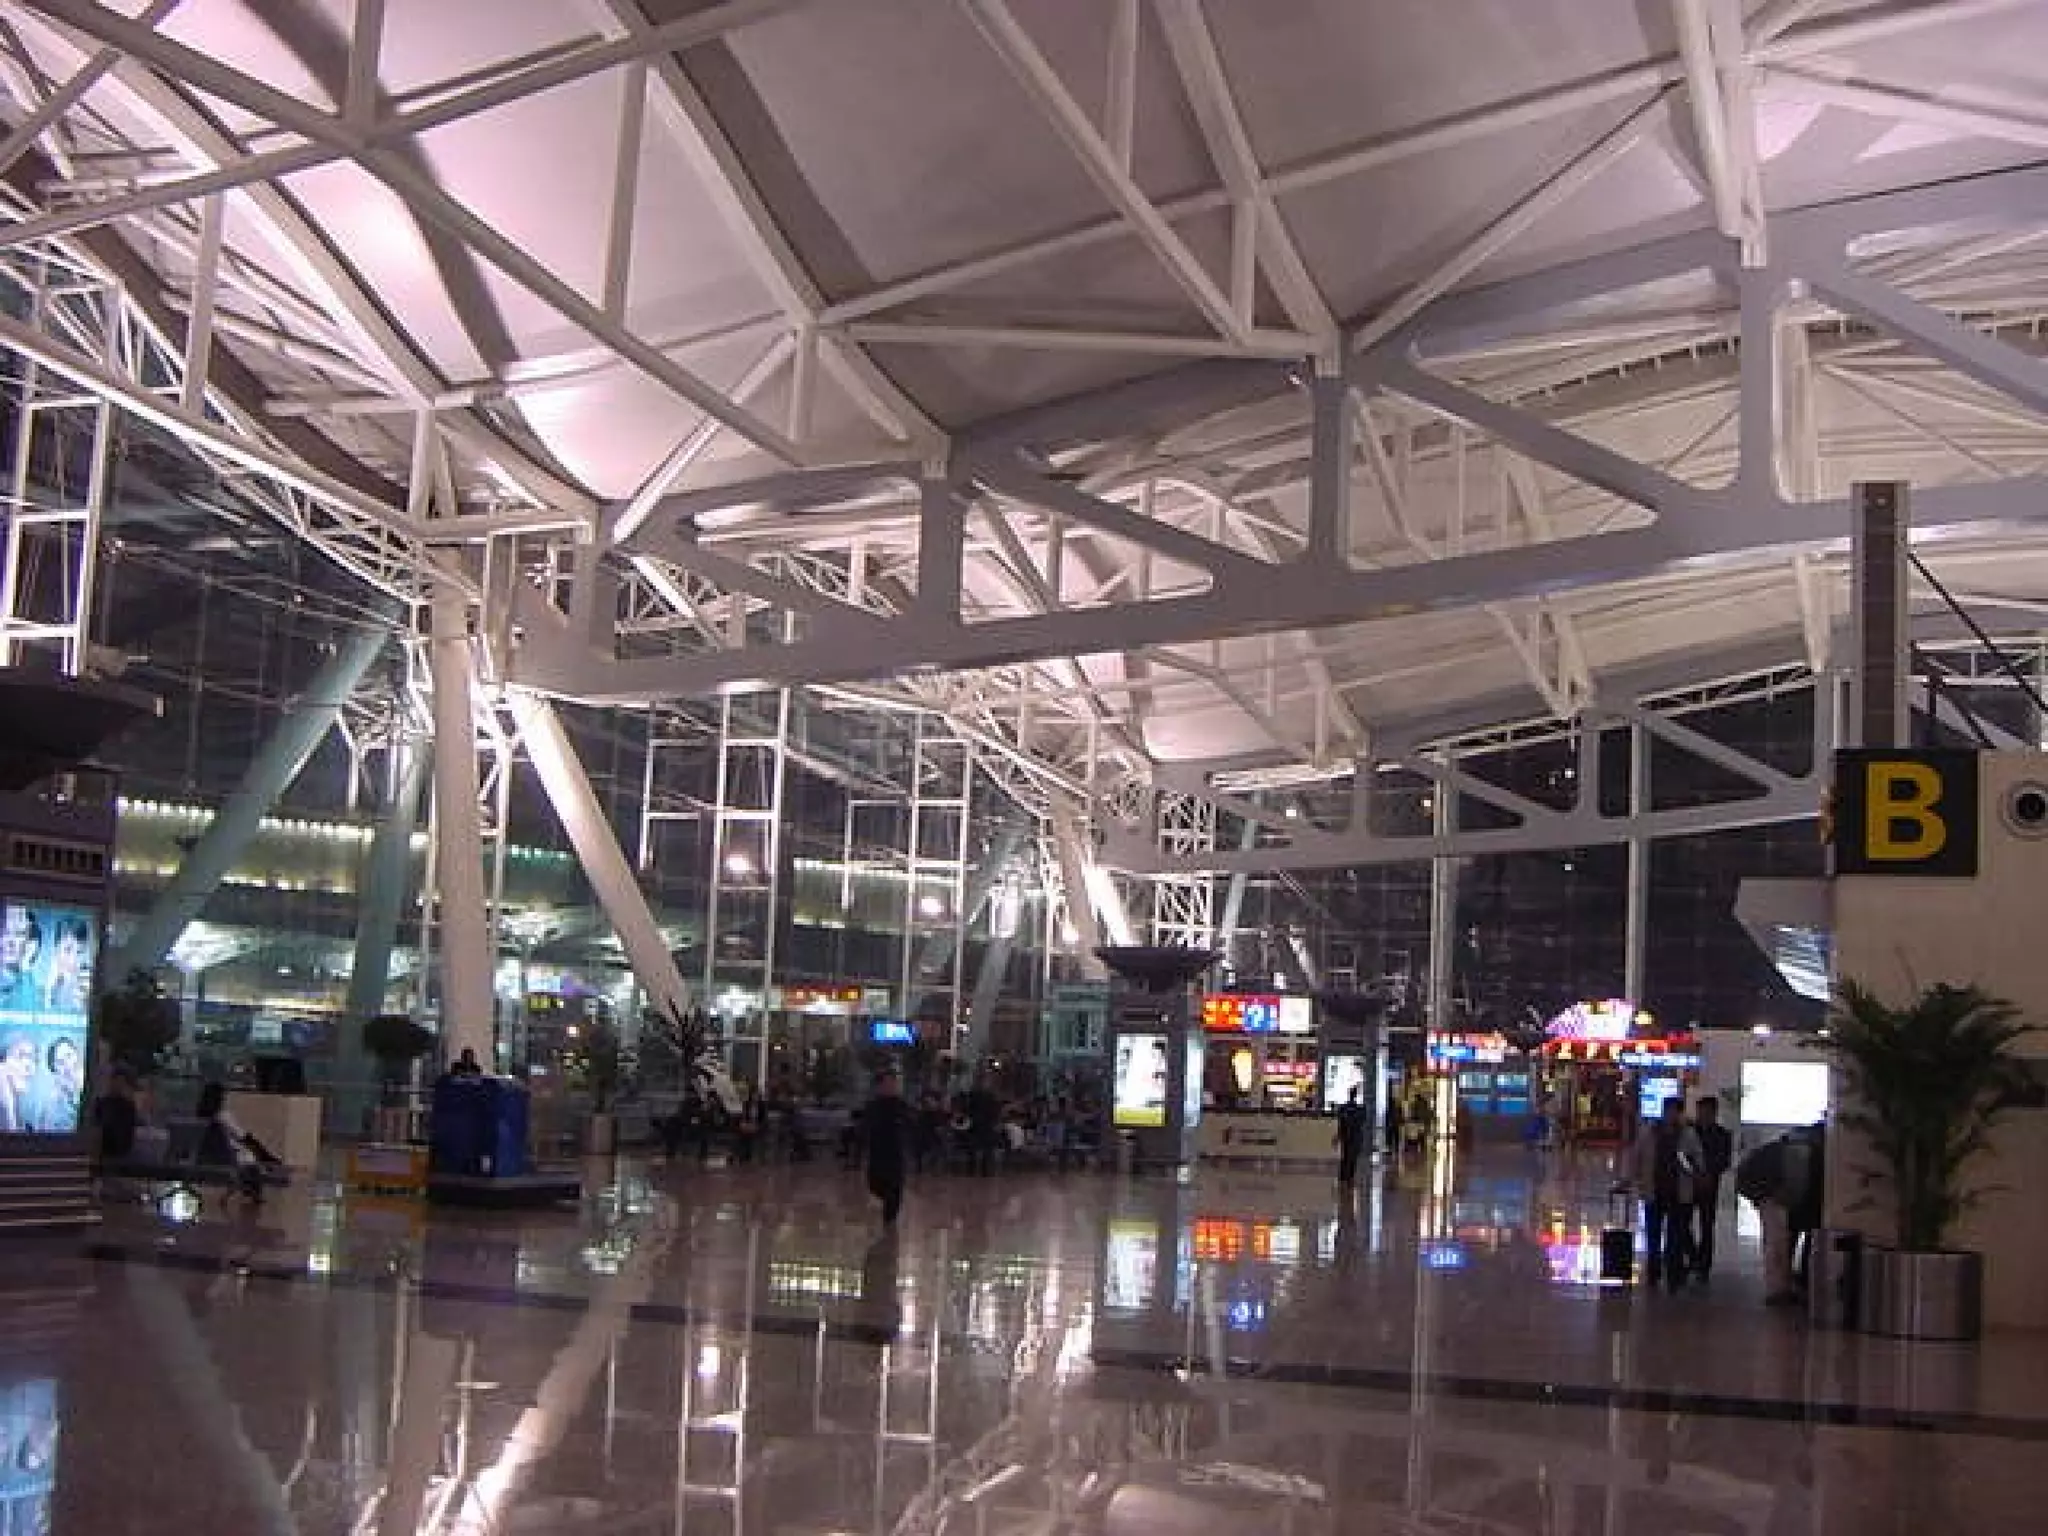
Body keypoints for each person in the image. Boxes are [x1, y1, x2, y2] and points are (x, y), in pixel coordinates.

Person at [1624, 1095, 1703, 1293]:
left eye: (1674, 1112)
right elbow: (1636, 1157)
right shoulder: (1649, 1132)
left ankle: (1673, 1275)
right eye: (1668, 1111)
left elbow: (1697, 1161)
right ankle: (1653, 1272)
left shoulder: (1688, 1135)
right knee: (1653, 1236)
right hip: (1654, 1192)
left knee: (1675, 1238)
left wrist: (1693, 1169)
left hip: (1679, 1193)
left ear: (1680, 1113)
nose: (1670, 1115)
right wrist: (1630, 1179)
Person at [196, 1081, 274, 1202]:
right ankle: (254, 1192)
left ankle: (249, 1187)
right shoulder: (223, 1116)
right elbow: (243, 1136)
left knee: (249, 1155)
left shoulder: (199, 1116)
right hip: (229, 1156)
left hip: (206, 1156)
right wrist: (263, 1153)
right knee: (251, 1157)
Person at [1690, 1095, 1734, 1282]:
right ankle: (1693, 1257)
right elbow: (1682, 1155)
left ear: (1714, 1113)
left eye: (1707, 1112)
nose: (1703, 1115)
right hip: (1689, 1183)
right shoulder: (1690, 1132)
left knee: (1707, 1225)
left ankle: (1704, 1265)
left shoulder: (1723, 1135)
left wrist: (1709, 1173)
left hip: (1709, 1185)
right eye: (1701, 1112)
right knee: (1682, 1222)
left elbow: (1724, 1160)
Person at [862, 1069, 914, 1226]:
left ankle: (890, 1225)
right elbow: (865, 1126)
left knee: (894, 1188)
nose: (890, 1086)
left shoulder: (902, 1105)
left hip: (896, 1153)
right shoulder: (872, 1106)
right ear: (879, 1086)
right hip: (877, 1153)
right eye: (886, 1083)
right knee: (875, 1184)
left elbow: (910, 1124)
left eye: (893, 1083)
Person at [91, 1067, 141, 1160]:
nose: (118, 1085)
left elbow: (130, 1131)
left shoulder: (128, 1106)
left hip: (122, 1153)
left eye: (121, 1082)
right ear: (111, 1082)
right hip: (104, 1151)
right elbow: (96, 1127)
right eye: (116, 1081)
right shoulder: (102, 1103)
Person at [1335, 1085, 1370, 1186]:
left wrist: (1339, 1135)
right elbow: (1362, 1121)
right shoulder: (1359, 1109)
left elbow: (1342, 1123)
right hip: (1355, 1135)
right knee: (1352, 1156)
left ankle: (1343, 1176)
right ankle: (1349, 1176)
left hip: (1347, 1135)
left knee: (1345, 1155)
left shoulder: (1344, 1108)